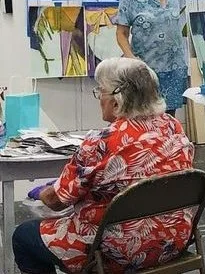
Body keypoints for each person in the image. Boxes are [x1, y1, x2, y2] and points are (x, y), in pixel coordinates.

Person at [12, 57, 195, 274]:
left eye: (101, 91)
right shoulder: (173, 127)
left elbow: (56, 201)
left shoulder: (102, 142)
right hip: (174, 240)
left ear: (117, 102)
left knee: (24, 236)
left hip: (119, 252)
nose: (99, 98)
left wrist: (43, 191)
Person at [116, 0, 188, 117]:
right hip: (146, 69)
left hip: (174, 66)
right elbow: (121, 34)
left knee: (168, 117)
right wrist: (131, 58)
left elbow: (179, 22)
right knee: (144, 116)